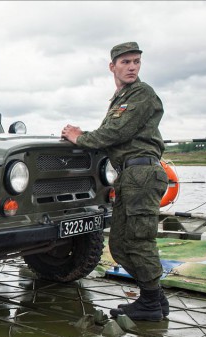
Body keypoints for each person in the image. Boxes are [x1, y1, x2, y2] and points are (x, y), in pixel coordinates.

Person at [61, 42, 169, 321]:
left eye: (136, 62)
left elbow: (114, 133)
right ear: (113, 66)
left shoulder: (142, 93)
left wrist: (79, 137)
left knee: (139, 241)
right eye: (125, 62)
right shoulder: (121, 97)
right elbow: (112, 132)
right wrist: (85, 135)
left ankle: (150, 303)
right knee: (120, 245)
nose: (132, 67)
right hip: (129, 175)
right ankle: (156, 299)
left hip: (142, 174)